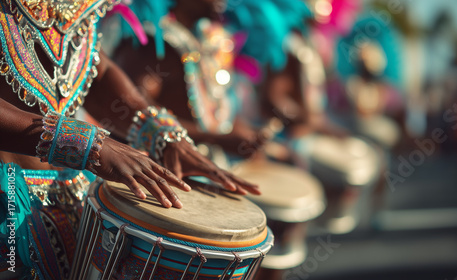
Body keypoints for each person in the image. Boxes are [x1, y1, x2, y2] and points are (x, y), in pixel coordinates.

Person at [0, 1, 258, 279]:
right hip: (10, 204)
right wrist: (85, 144)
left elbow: (94, 70)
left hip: (73, 191)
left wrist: (162, 133)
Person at [112, 0, 268, 162]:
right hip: (155, 168)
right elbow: (130, 110)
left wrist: (238, 130)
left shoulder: (206, 41)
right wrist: (214, 138)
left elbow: (210, 106)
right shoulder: (154, 44)